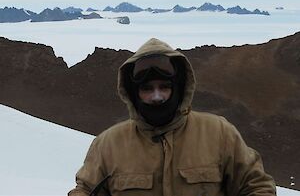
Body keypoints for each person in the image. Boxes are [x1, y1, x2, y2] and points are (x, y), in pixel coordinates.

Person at [69, 38, 276, 196]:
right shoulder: (108, 144)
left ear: (178, 89)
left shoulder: (218, 133)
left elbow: (257, 186)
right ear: (133, 94)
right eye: (147, 89)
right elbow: (84, 190)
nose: (157, 96)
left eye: (164, 87)